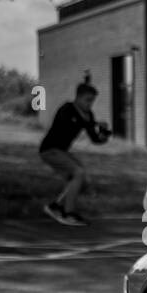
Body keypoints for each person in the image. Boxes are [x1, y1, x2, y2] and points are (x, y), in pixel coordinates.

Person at [39, 81, 111, 226]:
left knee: (81, 179)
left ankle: (56, 206)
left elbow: (95, 139)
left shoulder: (88, 114)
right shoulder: (66, 109)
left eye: (92, 101)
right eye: (88, 100)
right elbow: (67, 124)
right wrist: (92, 123)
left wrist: (103, 134)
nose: (90, 104)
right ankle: (68, 213)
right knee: (78, 172)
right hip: (49, 149)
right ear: (78, 97)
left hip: (61, 151)